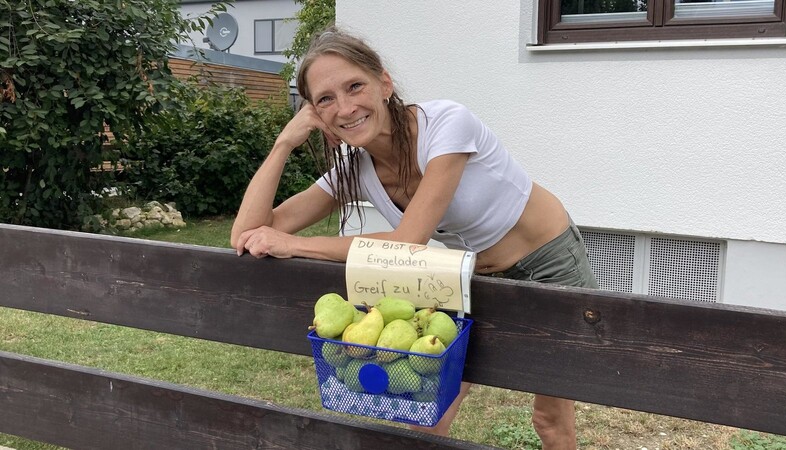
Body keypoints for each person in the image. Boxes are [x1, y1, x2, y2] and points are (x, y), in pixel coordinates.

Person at [230, 26, 599, 450]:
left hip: (549, 263)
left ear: (384, 83)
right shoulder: (355, 170)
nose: (345, 108)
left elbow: (408, 243)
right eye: (325, 99)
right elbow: (246, 233)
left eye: (355, 86)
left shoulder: (446, 125)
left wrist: (294, 245)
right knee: (429, 411)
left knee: (550, 419)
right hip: (469, 276)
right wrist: (283, 144)